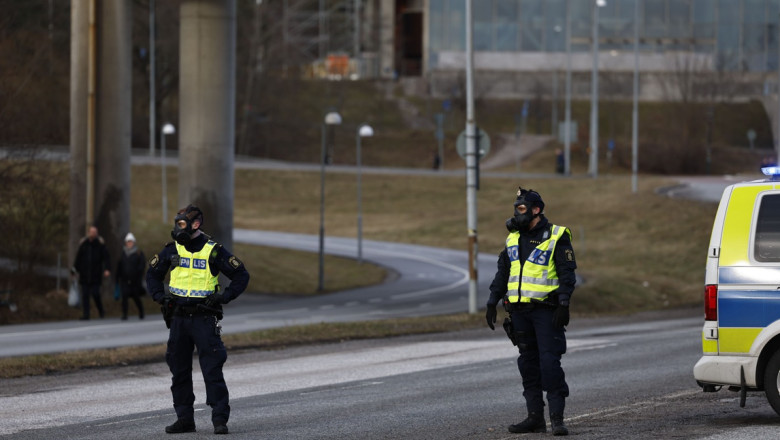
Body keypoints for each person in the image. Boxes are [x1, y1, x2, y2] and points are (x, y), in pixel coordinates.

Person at [146, 205, 250, 435]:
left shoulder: (213, 251)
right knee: (179, 370)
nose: (178, 228)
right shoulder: (172, 249)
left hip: (204, 317)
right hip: (178, 318)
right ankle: (185, 419)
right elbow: (152, 274)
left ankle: (219, 419)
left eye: (182, 224)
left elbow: (241, 275)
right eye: (177, 223)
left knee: (212, 370)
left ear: (195, 224)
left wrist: (225, 296)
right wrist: (160, 296)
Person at [485, 187, 577, 436]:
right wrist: (492, 301)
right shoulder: (513, 238)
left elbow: (567, 274)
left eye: (522, 208)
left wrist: (564, 304)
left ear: (536, 210)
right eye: (516, 208)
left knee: (549, 364)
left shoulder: (556, 236)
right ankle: (535, 418)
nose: (517, 213)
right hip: (519, 312)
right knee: (528, 366)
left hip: (546, 311)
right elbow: (503, 272)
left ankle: (557, 419)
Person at [72, 225, 111, 320]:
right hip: (84, 275)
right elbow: (78, 258)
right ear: (88, 233)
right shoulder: (84, 244)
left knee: (95, 294)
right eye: (92, 232)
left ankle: (101, 310)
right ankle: (86, 314)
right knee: (85, 295)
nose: (93, 234)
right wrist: (74, 270)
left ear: (97, 233)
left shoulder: (100, 245)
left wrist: (107, 269)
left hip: (96, 274)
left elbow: (106, 258)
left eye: (95, 232)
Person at [116, 232, 146, 320]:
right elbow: (119, 266)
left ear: (134, 242)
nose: (129, 243)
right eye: (128, 242)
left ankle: (141, 312)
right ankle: (124, 314)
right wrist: (117, 277)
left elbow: (142, 265)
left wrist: (138, 274)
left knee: (136, 297)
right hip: (125, 280)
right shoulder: (123, 253)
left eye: (131, 242)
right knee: (124, 297)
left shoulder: (138, 253)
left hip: (135, 281)